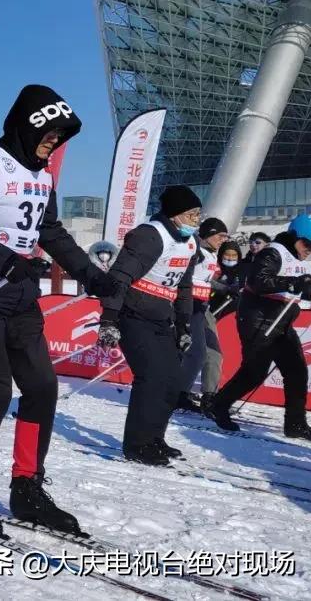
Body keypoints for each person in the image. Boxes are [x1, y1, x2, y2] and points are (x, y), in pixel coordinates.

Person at [0, 84, 117, 536]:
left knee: (41, 387)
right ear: (26, 127)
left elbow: (50, 231)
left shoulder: (43, 176)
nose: (53, 143)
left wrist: (91, 274)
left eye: (60, 137)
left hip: (17, 290)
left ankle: (26, 488)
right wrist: (3, 260)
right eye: (48, 134)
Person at [97, 186, 200, 466]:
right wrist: (108, 318)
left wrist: (184, 324)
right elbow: (119, 276)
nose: (196, 220)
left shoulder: (191, 243)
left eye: (198, 214)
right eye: (192, 214)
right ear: (175, 214)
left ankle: (155, 438)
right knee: (151, 377)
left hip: (162, 317)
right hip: (132, 314)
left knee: (172, 381)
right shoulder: (150, 235)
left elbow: (184, 286)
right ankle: (137, 444)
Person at [204, 214, 311, 442]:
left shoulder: (295, 256)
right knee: (254, 371)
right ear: (295, 236)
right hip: (259, 319)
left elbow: (294, 286)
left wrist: (310, 292)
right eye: (308, 244)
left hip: (281, 322)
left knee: (297, 371)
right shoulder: (273, 252)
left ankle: (295, 424)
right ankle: (219, 404)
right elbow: (258, 281)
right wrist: (294, 283)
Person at [175, 217, 228, 412]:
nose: (223, 240)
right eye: (220, 236)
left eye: (225, 236)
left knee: (212, 352)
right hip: (189, 305)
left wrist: (225, 288)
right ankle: (178, 394)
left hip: (201, 308)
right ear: (209, 234)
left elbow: (203, 279)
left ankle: (206, 395)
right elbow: (183, 275)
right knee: (196, 354)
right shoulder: (196, 251)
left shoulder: (211, 254)